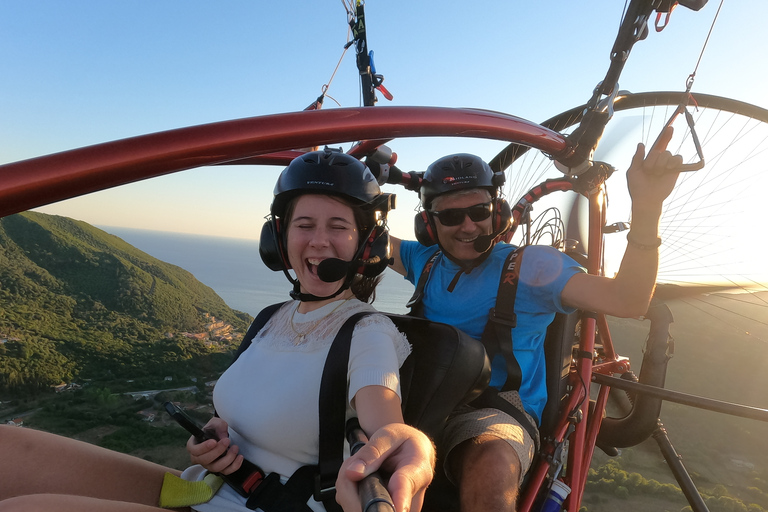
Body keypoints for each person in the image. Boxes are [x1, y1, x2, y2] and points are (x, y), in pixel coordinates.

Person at [0, 148, 430, 512]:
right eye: (304, 225)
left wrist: (414, 450)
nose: (318, 240)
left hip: (269, 505)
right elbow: (240, 417)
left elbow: (386, 434)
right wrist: (211, 441)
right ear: (278, 239)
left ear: (366, 245)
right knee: (7, 449)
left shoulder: (367, 332)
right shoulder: (270, 318)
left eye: (338, 226)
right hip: (205, 486)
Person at [374, 127, 684, 512]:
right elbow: (360, 238)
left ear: (497, 213)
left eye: (479, 212)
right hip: (418, 397)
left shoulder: (532, 266)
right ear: (429, 225)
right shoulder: (425, 260)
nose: (468, 226)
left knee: (492, 465)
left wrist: (648, 207)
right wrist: (353, 181)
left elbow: (628, 299)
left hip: (491, 409)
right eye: (452, 216)